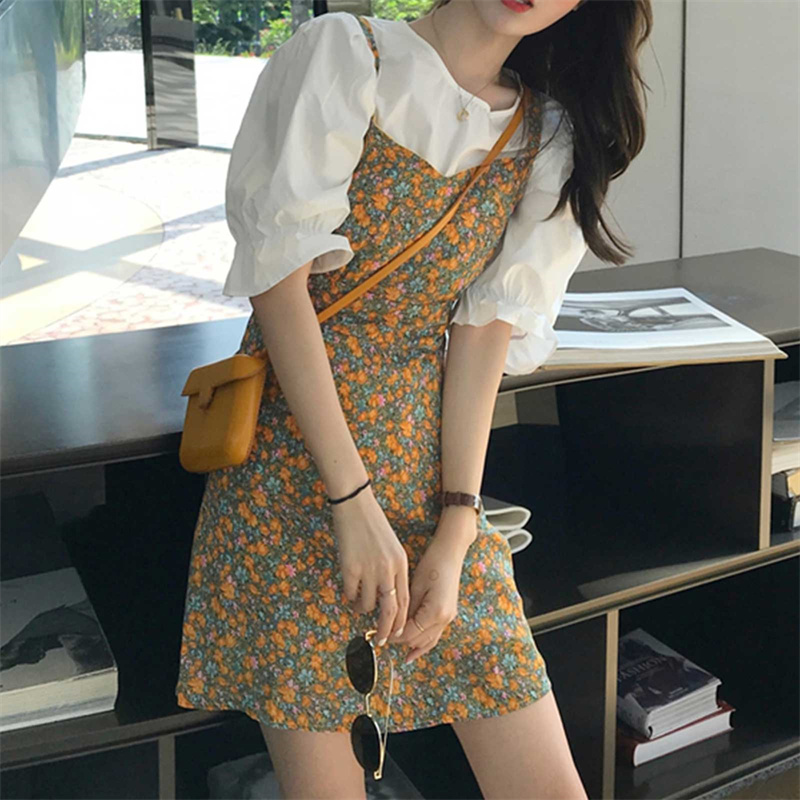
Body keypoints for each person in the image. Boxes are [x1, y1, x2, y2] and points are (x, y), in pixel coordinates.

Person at [175, 0, 651, 797]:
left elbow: (483, 333)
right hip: (293, 478)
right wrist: (350, 502)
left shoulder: (547, 135)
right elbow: (279, 286)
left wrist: (460, 525)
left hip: (431, 484)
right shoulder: (344, 55)